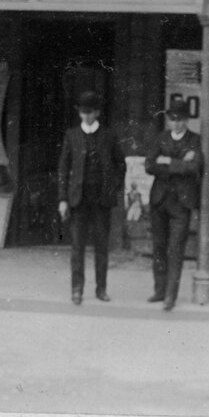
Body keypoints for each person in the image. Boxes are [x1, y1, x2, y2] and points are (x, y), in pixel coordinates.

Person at [56, 90, 125, 305]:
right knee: (77, 246)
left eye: (90, 112)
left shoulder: (108, 135)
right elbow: (63, 168)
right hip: (78, 199)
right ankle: (77, 289)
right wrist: (63, 199)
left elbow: (120, 165)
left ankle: (101, 289)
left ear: (97, 112)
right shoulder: (72, 135)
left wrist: (113, 187)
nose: (86, 116)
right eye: (83, 112)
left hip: (101, 200)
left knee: (101, 246)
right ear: (79, 113)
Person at [145, 98, 203, 311]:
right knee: (159, 247)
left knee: (175, 249)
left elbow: (194, 166)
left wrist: (167, 161)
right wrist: (179, 163)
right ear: (168, 119)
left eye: (180, 120)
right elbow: (150, 165)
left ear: (187, 120)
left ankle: (171, 295)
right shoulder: (159, 138)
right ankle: (160, 290)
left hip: (181, 203)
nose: (176, 124)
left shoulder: (195, 140)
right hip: (159, 200)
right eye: (172, 119)